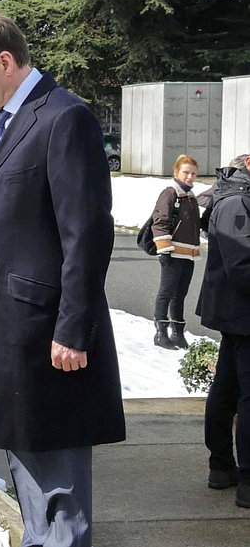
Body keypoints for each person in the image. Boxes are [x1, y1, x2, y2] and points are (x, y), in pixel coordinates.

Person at [0, 10, 125, 547]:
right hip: (13, 333)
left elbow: (87, 234)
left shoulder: (64, 118)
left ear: (5, 62)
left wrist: (74, 329)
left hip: (51, 335)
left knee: (59, 484)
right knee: (28, 471)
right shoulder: (6, 120)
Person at [196, 154, 250, 508]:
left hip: (238, 315)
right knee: (240, 395)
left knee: (228, 389)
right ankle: (242, 477)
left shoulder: (238, 196)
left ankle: (223, 467)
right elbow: (242, 263)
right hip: (242, 314)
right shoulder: (236, 201)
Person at [150, 154, 208, 349]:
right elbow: (160, 221)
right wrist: (164, 250)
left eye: (193, 173)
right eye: (186, 172)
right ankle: (160, 334)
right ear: (176, 172)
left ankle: (177, 333)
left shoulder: (190, 196)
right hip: (172, 252)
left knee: (180, 295)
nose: (190, 177)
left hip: (188, 254)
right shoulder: (170, 193)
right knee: (166, 292)